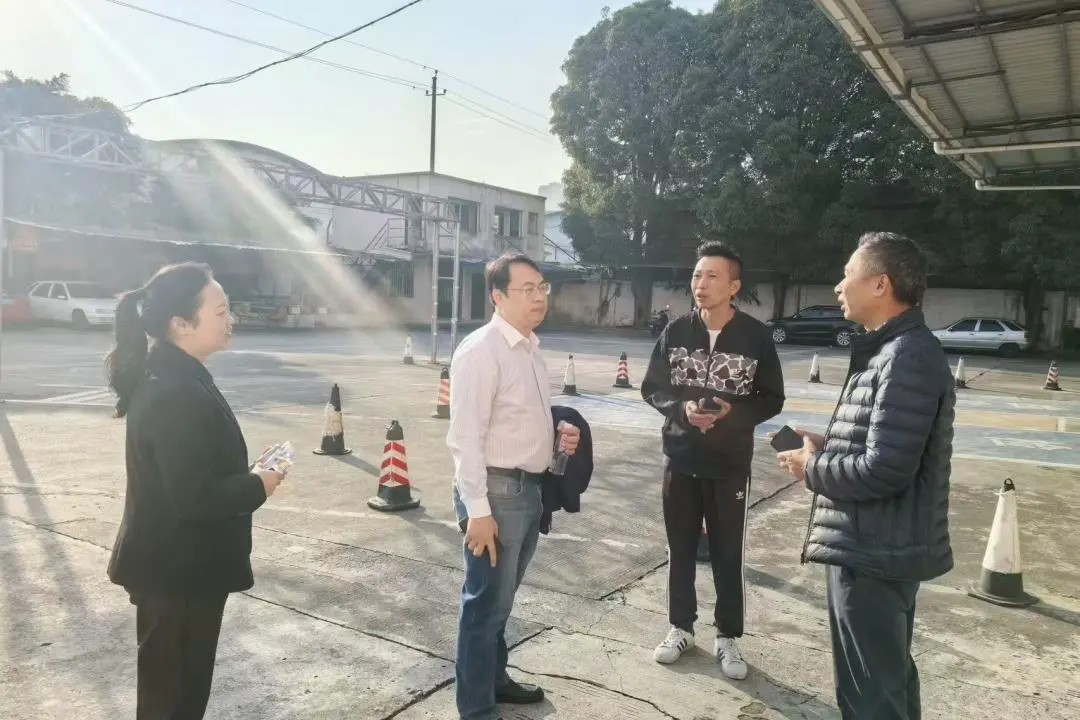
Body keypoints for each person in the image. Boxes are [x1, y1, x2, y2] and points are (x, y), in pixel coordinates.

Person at [776, 232, 954, 720]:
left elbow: (885, 470)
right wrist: (829, 445)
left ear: (880, 284)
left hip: (875, 552)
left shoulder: (906, 355)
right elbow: (886, 446)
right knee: (884, 680)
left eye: (848, 274)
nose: (838, 286)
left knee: (871, 696)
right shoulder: (891, 350)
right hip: (874, 545)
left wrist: (812, 467)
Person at [105, 262, 285, 719]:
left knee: (179, 695)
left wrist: (251, 472)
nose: (231, 320)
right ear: (180, 324)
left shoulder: (180, 376)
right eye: (221, 312)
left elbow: (189, 473)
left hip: (180, 569)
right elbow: (193, 497)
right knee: (172, 701)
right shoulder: (174, 391)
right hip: (176, 574)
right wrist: (259, 484)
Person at [447, 252, 581, 720]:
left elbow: (520, 417)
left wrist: (558, 433)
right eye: (528, 289)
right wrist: (478, 511)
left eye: (543, 287)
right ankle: (476, 708)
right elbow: (464, 438)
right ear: (498, 296)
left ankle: (495, 680)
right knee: (484, 606)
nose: (539, 297)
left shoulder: (528, 348)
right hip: (496, 495)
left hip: (526, 491)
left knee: (501, 602)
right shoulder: (481, 351)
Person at [641, 241, 785, 680]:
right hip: (680, 458)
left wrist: (731, 414)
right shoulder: (676, 332)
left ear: (734, 286)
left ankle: (728, 636)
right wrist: (681, 409)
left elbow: (772, 398)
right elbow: (652, 388)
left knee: (727, 553)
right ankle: (680, 628)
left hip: (729, 465)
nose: (700, 284)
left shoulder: (756, 337)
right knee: (680, 549)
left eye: (712, 276)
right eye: (696, 275)